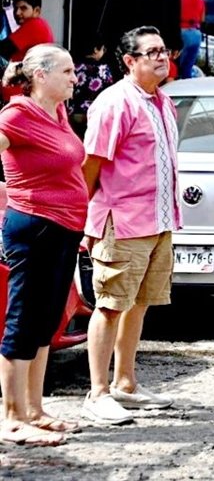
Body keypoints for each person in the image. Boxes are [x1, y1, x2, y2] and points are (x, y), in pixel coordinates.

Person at [80, 26, 181, 426]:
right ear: (129, 61)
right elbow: (92, 164)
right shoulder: (114, 103)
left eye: (164, 51)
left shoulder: (163, 102)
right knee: (109, 305)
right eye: (152, 52)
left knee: (139, 304)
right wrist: (84, 217)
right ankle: (97, 393)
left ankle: (125, 383)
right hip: (120, 222)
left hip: (158, 220)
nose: (162, 57)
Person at [0, 45, 87, 446]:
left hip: (65, 226)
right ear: (40, 75)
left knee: (47, 319)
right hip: (34, 224)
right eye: (67, 71)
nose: (74, 78)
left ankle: (35, 408)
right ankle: (11, 415)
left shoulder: (58, 112)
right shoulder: (16, 114)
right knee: (23, 318)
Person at [0, 0, 55, 105]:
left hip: (22, 95)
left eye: (23, 8)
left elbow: (4, 49)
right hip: (28, 93)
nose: (18, 12)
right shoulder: (41, 25)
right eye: (15, 8)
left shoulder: (34, 25)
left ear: (36, 11)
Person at [69, 34, 115, 138]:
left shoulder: (73, 67)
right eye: (103, 49)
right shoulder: (103, 69)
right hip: (93, 113)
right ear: (95, 50)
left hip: (73, 112)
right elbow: (109, 92)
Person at [179, 0, 205, 80]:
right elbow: (202, 19)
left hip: (180, 30)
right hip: (195, 33)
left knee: (175, 64)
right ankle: (186, 86)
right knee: (188, 66)